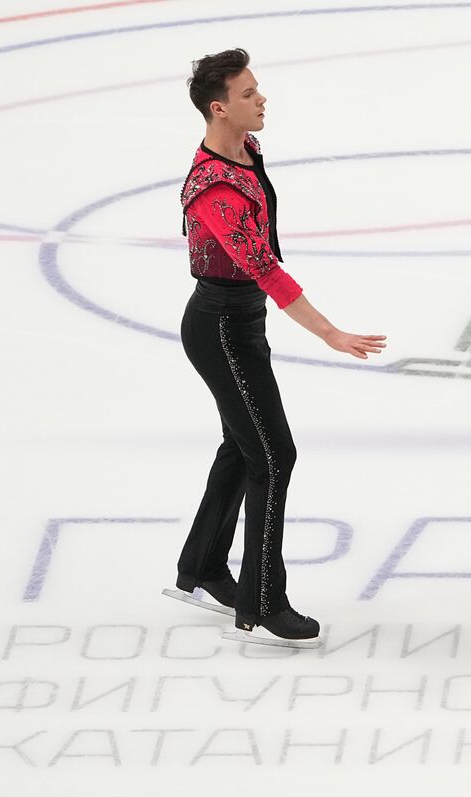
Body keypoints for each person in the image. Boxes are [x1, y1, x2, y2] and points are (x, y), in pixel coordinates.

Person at [161, 48, 386, 649]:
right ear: (219, 108)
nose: (262, 99)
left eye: (258, 90)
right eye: (248, 94)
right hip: (221, 328)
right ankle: (262, 602)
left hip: (242, 322)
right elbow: (263, 268)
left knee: (244, 446)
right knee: (273, 456)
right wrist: (331, 332)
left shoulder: (247, 151)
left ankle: (202, 567)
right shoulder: (213, 189)